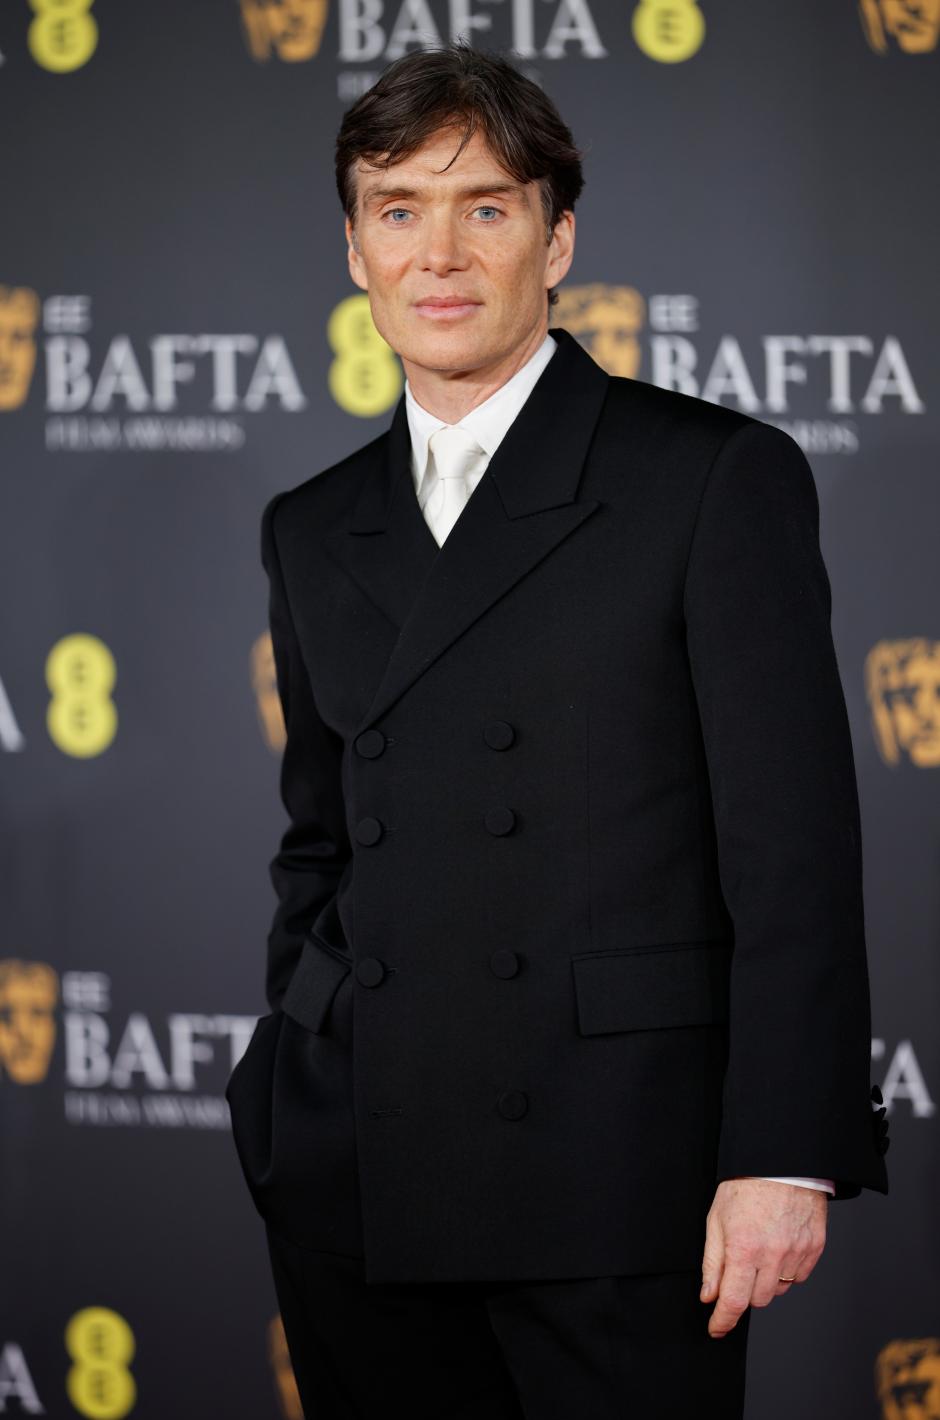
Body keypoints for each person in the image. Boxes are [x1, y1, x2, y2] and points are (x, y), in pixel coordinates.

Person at [225, 41, 889, 1419]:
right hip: (361, 1170)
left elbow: (792, 850)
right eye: (398, 208)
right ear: (354, 250)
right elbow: (322, 838)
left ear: (556, 235)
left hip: (618, 1177)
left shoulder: (708, 478)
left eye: (487, 204)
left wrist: (784, 1153)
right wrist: (290, 1076)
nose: (441, 251)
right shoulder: (312, 524)